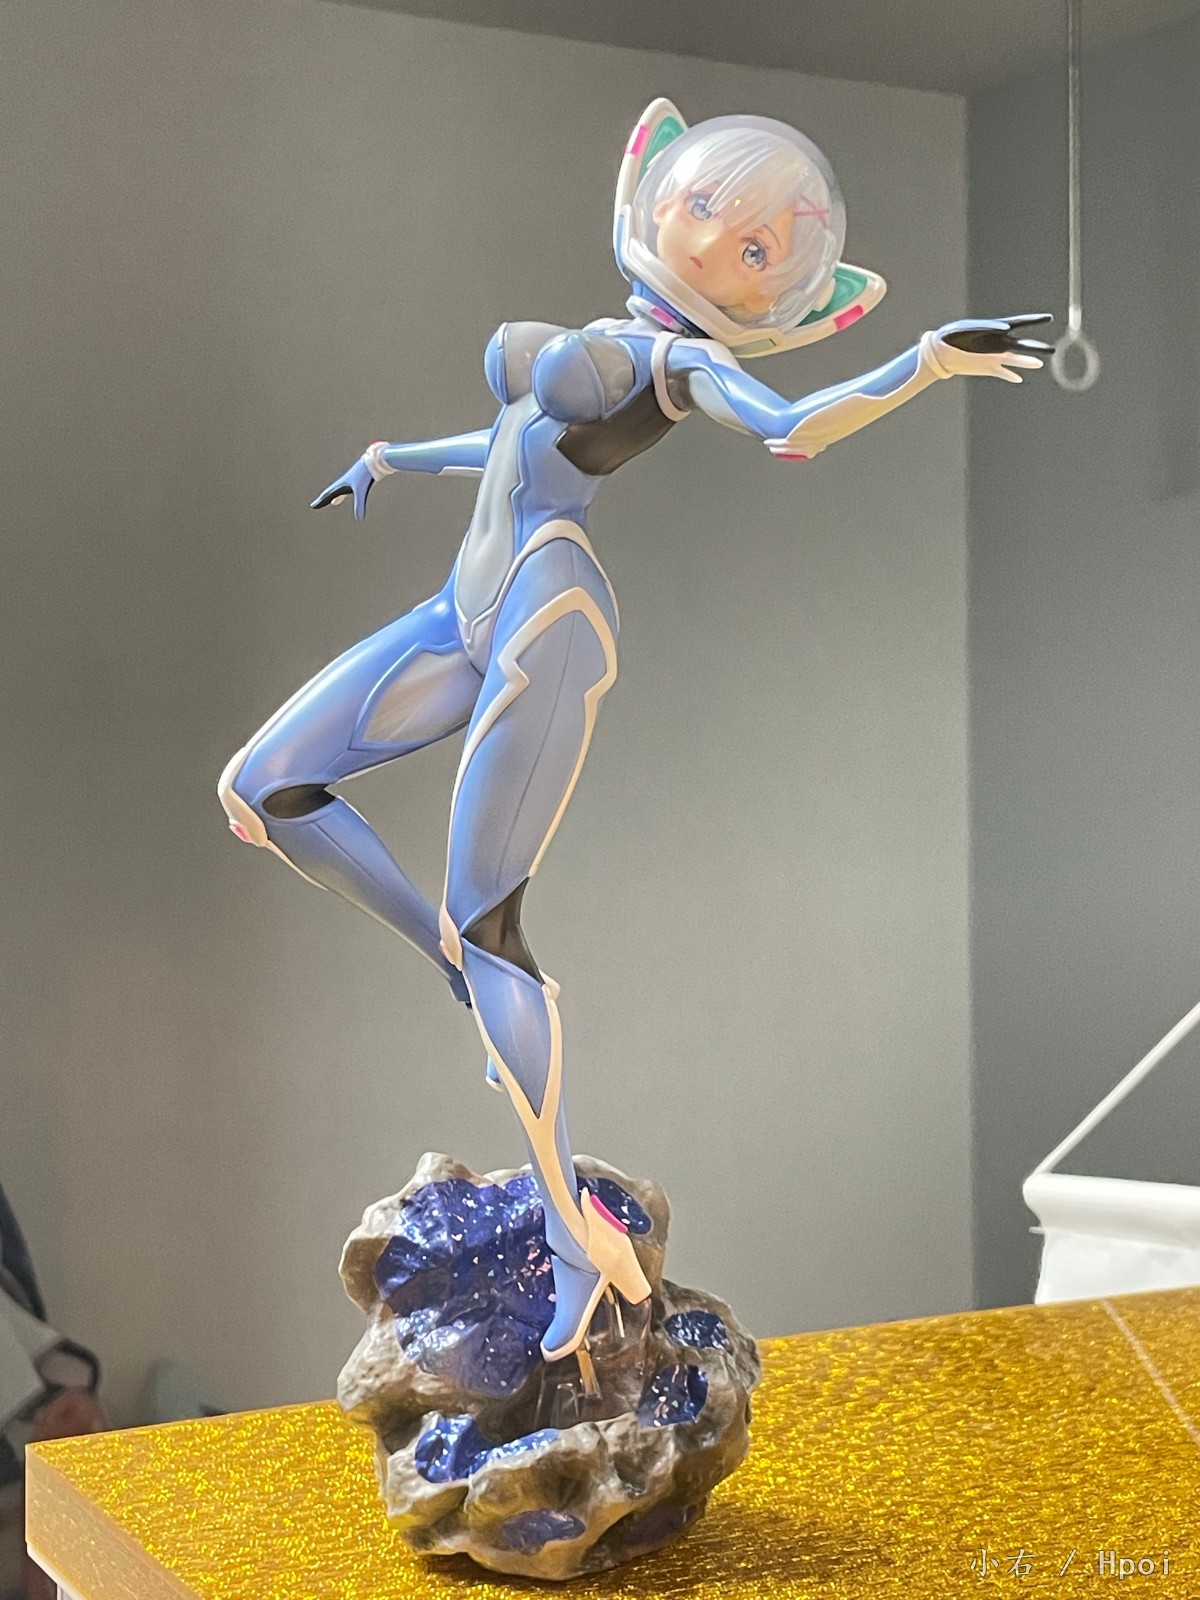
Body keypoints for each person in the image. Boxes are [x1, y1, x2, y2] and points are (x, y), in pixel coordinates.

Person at [218, 100, 1051, 1383]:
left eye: (761, 246)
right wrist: (395, 454)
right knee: (262, 787)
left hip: (544, 615)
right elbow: (517, 438)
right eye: (709, 207)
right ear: (659, 189)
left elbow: (792, 427)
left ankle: (573, 1229)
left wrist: (926, 367)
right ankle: (450, 956)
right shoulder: (610, 332)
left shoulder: (680, 365)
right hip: (459, 611)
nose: (717, 240)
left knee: (497, 927)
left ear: (793, 291)